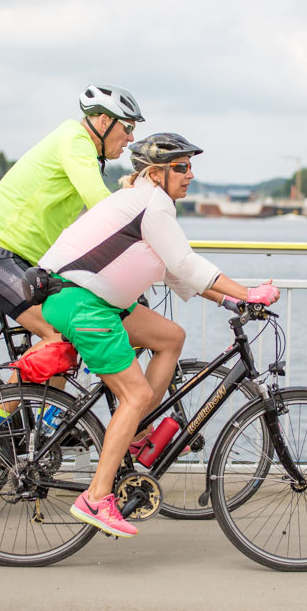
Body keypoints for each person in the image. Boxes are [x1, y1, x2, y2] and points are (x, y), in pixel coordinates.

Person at [36, 133, 280, 537]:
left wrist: (230, 301)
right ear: (155, 173)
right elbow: (185, 262)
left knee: (170, 337)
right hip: (83, 302)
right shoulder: (153, 204)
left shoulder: (146, 201)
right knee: (135, 395)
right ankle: (95, 497)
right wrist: (248, 292)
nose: (190, 175)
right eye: (180, 167)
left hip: (93, 299)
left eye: (190, 167)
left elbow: (176, 272)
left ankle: (135, 433)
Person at [0, 86, 186, 413]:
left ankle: (51, 423)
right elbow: (104, 209)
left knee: (68, 332)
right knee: (59, 332)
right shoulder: (76, 141)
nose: (130, 137)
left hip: (22, 259)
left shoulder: (81, 149)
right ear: (103, 121)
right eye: (127, 127)